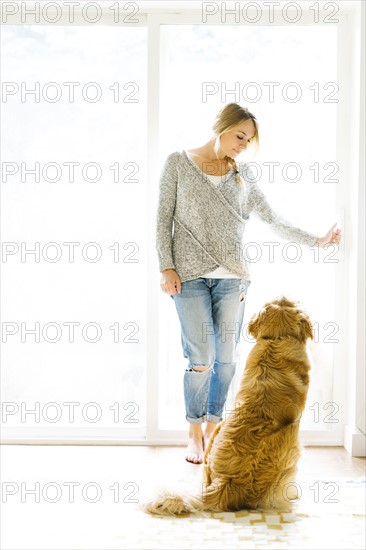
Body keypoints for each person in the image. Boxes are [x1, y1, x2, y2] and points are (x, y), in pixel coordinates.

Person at [155, 102, 341, 464]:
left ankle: (214, 425)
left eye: (249, 140)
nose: (243, 144)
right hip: (189, 277)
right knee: (201, 359)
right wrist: (167, 267)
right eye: (239, 136)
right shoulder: (178, 163)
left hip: (233, 281)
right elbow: (163, 219)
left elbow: (273, 219)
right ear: (220, 127)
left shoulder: (244, 177)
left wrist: (317, 240)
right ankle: (193, 430)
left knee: (226, 360)